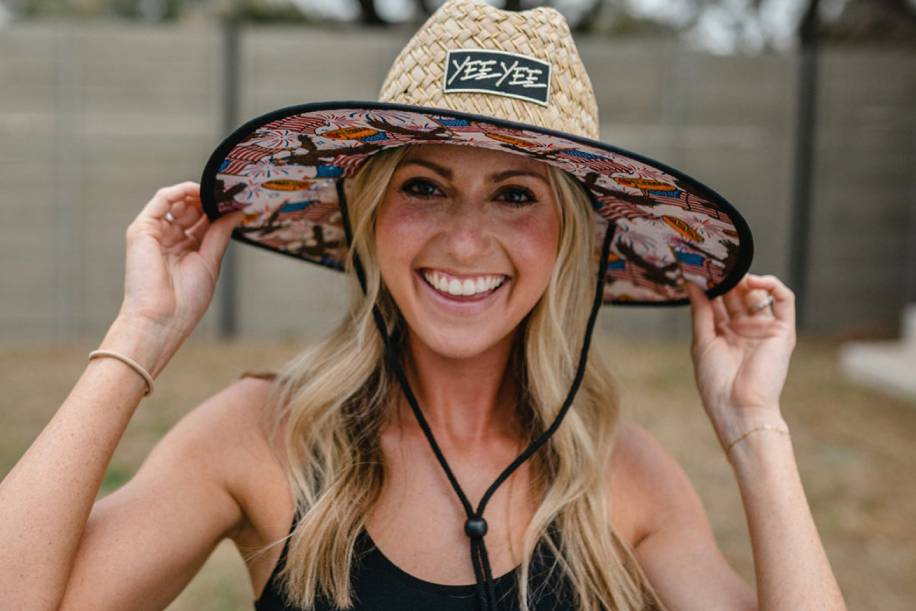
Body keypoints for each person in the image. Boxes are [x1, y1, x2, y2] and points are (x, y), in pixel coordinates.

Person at [0, 1, 848, 610]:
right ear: (368, 219)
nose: (466, 241)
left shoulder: (617, 473)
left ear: (570, 240)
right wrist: (141, 333)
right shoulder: (262, 434)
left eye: (516, 195)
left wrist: (753, 428)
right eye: (425, 185)